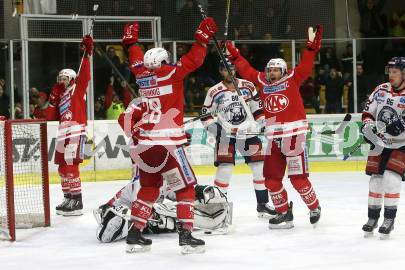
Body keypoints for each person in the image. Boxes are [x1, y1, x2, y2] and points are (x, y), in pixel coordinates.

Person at [118, 17, 217, 254]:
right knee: (186, 187)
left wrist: (131, 44)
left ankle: (134, 234)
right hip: (168, 144)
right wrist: (202, 38)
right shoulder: (171, 73)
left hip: (145, 145)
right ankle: (186, 236)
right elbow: (194, 60)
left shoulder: (142, 76)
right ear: (163, 60)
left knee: (149, 188)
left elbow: (135, 60)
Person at [224, 25, 323, 229]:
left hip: (294, 137)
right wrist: (234, 54)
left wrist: (311, 48)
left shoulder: (293, 79)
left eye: (276, 69)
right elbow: (246, 70)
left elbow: (305, 65)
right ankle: (283, 212)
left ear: (284, 71)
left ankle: (314, 207)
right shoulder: (263, 81)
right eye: (269, 70)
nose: (271, 73)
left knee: (298, 179)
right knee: (270, 180)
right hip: (274, 139)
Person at [360, 57, 405, 239]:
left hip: (404, 143)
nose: (391, 75)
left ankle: (389, 219)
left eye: (395, 72)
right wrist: (368, 127)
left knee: (391, 179)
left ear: (404, 73)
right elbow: (367, 113)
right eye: (389, 71)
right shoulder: (381, 90)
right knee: (375, 180)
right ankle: (372, 218)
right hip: (381, 142)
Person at [200, 60, 276, 218]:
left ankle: (262, 204)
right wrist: (215, 129)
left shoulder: (248, 86)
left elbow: (257, 109)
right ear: (221, 71)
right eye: (227, 70)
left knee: (259, 168)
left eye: (233, 69)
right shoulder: (214, 91)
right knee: (225, 170)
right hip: (226, 136)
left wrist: (262, 122)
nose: (231, 72)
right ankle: (218, 209)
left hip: (249, 133)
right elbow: (205, 115)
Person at [93, 173, 232, 243]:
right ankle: (116, 223)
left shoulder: (162, 180)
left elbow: (179, 194)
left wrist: (201, 190)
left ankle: (123, 225)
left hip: (132, 212)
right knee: (162, 215)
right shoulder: (143, 182)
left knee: (164, 213)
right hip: (111, 210)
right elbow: (141, 207)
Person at [45, 35, 93, 216]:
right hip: (62, 135)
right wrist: (52, 99)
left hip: (75, 132)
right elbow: (50, 117)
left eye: (65, 78)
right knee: (62, 167)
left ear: (72, 79)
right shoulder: (61, 95)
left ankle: (77, 201)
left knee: (71, 166)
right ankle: (68, 197)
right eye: (60, 78)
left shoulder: (77, 89)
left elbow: (86, 75)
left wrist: (87, 54)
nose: (61, 81)